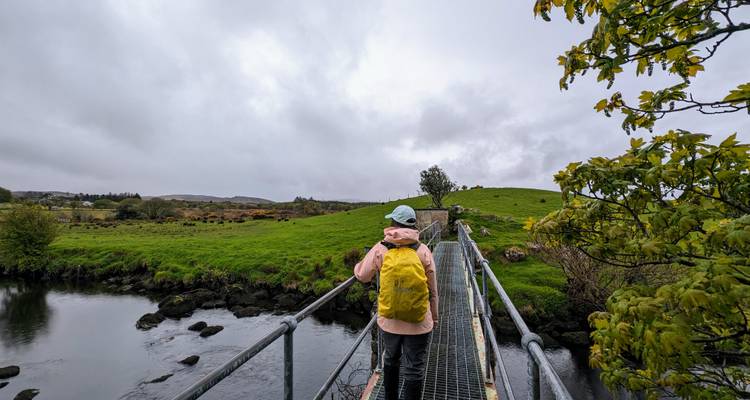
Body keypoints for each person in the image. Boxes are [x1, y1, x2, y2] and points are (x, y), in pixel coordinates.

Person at [354, 205, 439, 400]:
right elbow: (433, 290)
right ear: (412, 225)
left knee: (390, 359)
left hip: (389, 319)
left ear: (393, 223)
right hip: (418, 322)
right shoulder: (423, 250)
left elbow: (363, 275)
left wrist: (357, 266)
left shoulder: (381, 248)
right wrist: (433, 317)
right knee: (414, 368)